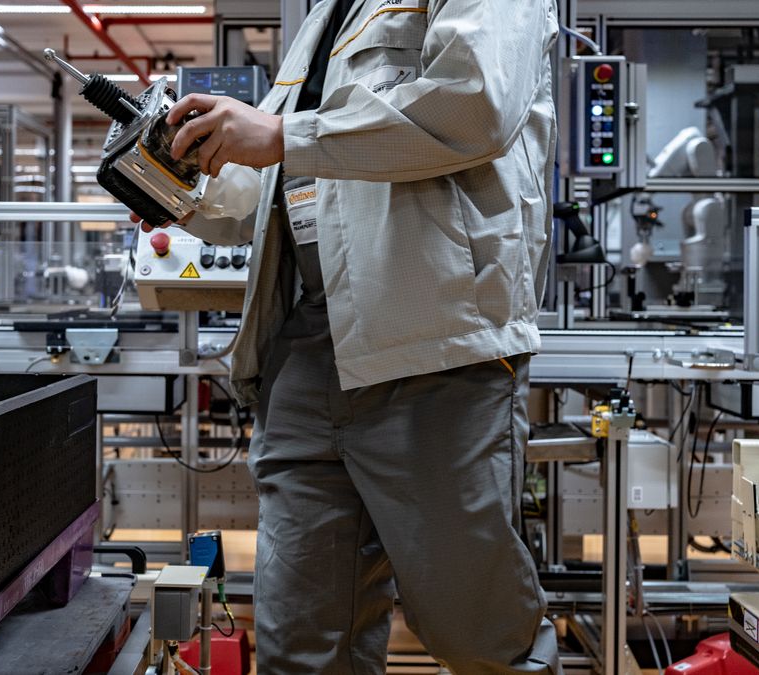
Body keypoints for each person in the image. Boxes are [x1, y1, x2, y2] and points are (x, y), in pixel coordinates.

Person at [133, 0, 560, 672]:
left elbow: (472, 105)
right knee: (302, 638)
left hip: (431, 343)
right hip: (305, 345)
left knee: (477, 633)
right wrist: (176, 184)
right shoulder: (325, 20)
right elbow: (268, 178)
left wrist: (280, 135)